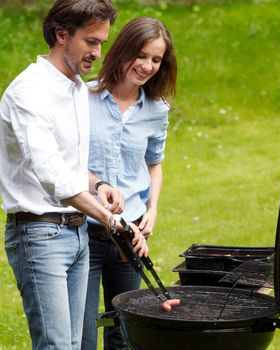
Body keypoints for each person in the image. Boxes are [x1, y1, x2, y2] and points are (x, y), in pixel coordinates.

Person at [0, 2, 148, 349]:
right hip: (40, 235)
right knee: (56, 346)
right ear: (61, 35)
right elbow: (53, 177)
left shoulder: (78, 89)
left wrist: (99, 185)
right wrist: (113, 221)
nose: (98, 53)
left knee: (77, 344)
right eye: (91, 42)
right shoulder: (29, 92)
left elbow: (70, 166)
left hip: (78, 231)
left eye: (101, 43)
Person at [81, 16, 177, 350]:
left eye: (156, 59)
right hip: (86, 230)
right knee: (83, 332)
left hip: (131, 234)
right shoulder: (83, 98)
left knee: (124, 331)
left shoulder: (156, 109)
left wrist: (152, 209)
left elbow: (155, 162)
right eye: (142, 55)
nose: (148, 65)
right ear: (123, 50)